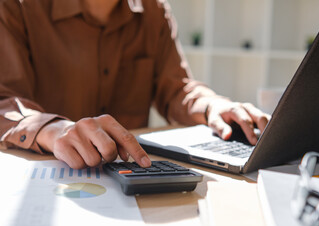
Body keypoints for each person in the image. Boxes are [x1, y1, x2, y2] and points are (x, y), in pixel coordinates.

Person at [0, 0, 270, 169]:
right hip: (49, 174)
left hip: (131, 175)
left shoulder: (154, 11)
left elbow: (176, 87)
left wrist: (212, 105)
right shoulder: (17, 7)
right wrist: (52, 129)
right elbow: (4, 100)